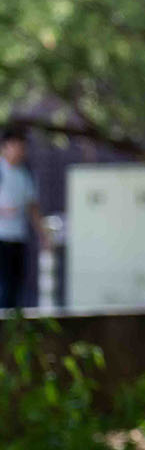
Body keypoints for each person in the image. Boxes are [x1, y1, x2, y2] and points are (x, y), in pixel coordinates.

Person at [0, 124, 51, 311]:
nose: (20, 151)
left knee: (16, 285)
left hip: (18, 237)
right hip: (1, 237)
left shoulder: (25, 174)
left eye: (22, 147)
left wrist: (43, 234)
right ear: (5, 147)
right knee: (3, 286)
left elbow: (33, 207)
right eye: (16, 146)